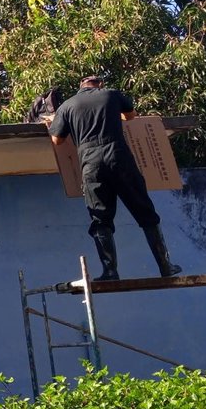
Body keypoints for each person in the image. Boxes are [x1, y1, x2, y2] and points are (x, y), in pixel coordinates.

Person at [47, 75, 182, 281]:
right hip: (119, 157)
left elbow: (57, 139)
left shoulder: (67, 106)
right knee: (144, 210)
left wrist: (54, 122)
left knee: (100, 217)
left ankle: (110, 271)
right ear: (100, 84)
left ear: (80, 87)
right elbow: (130, 116)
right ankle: (165, 266)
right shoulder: (111, 94)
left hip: (91, 164)